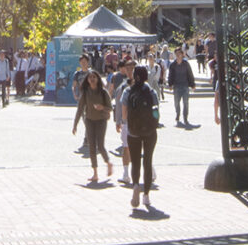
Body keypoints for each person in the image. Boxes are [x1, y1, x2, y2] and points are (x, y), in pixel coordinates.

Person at [123, 63, 163, 211]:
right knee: (147, 161)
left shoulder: (128, 91)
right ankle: (146, 194)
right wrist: (154, 122)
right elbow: (156, 111)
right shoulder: (151, 92)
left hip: (133, 131)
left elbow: (124, 113)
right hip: (149, 132)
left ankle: (135, 185)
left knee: (135, 162)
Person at [73, 69, 115, 184]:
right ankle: (95, 173)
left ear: (98, 79)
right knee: (92, 147)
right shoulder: (85, 93)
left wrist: (102, 107)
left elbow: (110, 108)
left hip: (101, 121)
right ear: (87, 80)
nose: (92, 79)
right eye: (90, 77)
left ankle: (108, 163)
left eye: (94, 77)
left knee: (100, 146)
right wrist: (75, 124)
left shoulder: (103, 92)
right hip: (89, 121)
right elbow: (80, 109)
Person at [168, 49, 196, 127]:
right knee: (176, 103)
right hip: (176, 86)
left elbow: (190, 74)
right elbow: (170, 75)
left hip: (185, 86)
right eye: (176, 54)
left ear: (182, 54)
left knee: (186, 103)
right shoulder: (172, 65)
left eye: (179, 54)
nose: (178, 55)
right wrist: (170, 84)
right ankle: (178, 114)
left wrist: (192, 84)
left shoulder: (186, 64)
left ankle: (185, 117)